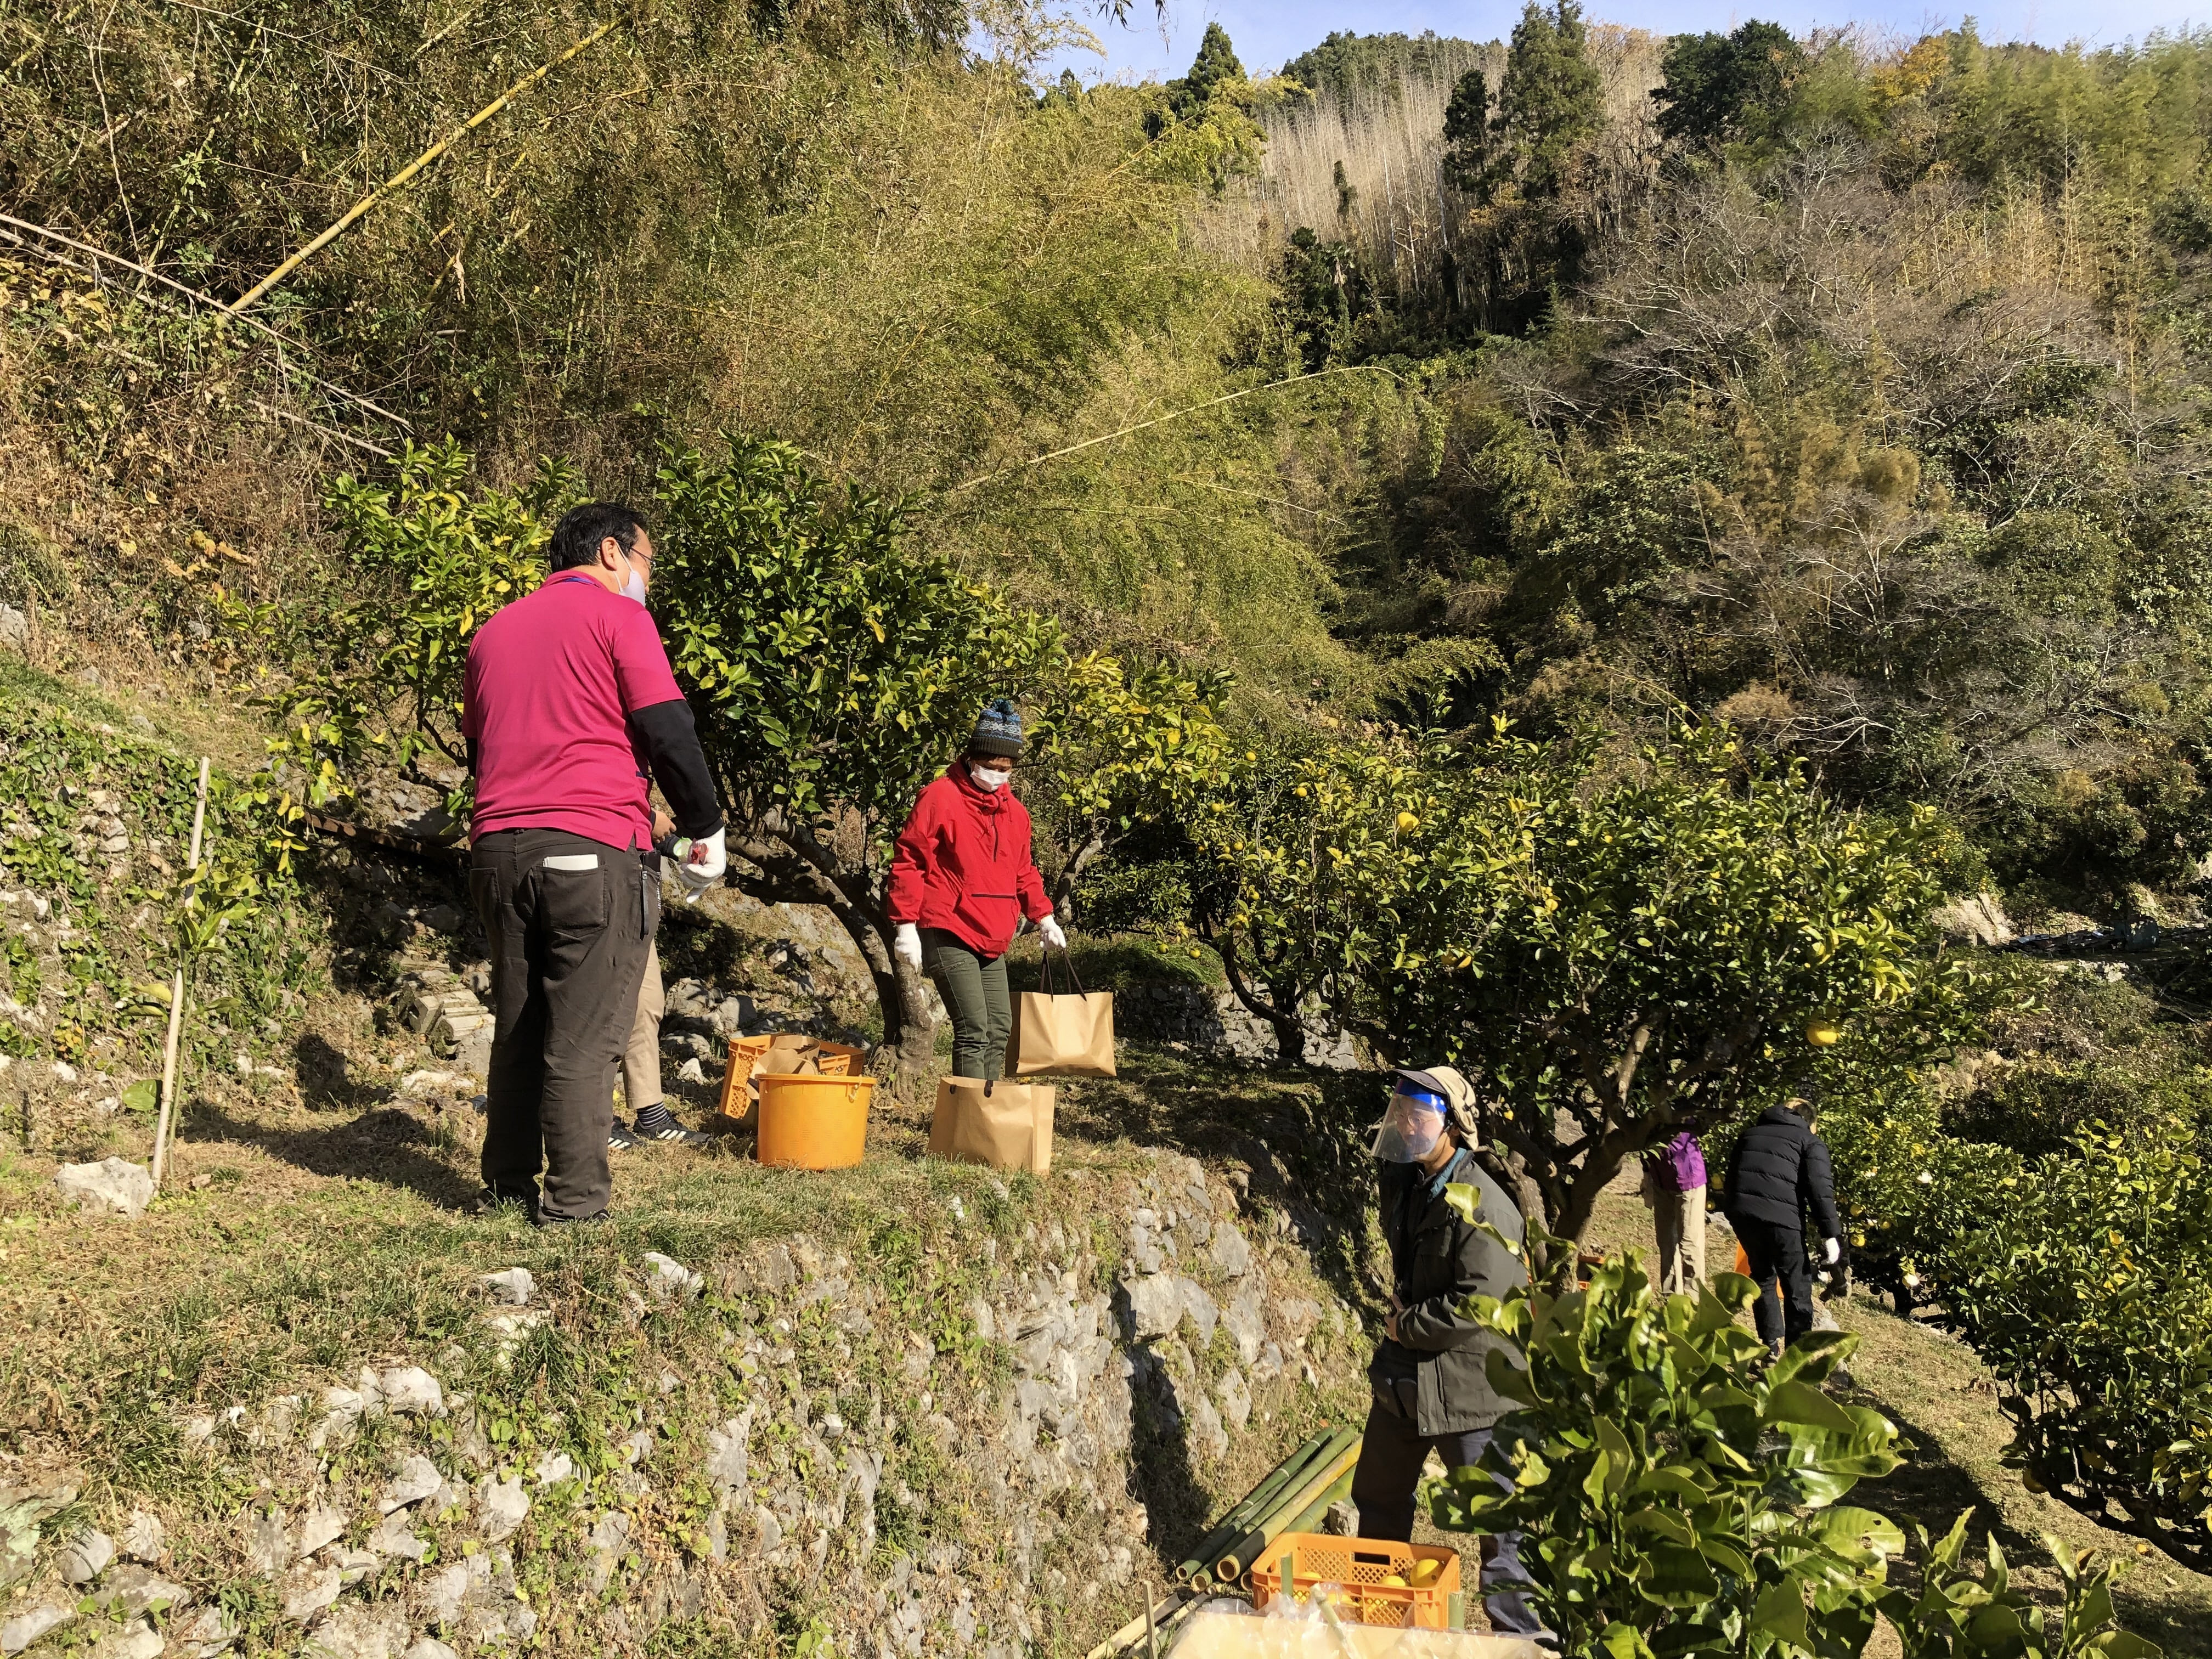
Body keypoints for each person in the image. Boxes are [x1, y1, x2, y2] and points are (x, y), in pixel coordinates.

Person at [464, 501, 726, 1223]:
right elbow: (667, 726)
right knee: (583, 1035)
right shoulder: (619, 618)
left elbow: (480, 751)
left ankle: (505, 1189)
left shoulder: (492, 633)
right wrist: (706, 824)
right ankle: (575, 1205)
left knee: (520, 1026)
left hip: (497, 850)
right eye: (646, 564)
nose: (647, 580)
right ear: (611, 552)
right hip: (590, 849)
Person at [1348, 1067, 1544, 1641]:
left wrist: (1405, 1324)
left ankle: (1525, 1646)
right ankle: (1380, 1626)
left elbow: (1479, 1303)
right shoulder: (1410, 1185)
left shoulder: (1483, 1204)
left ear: (1454, 1127)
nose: (1408, 1123)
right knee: (1378, 1501)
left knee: (1502, 1532)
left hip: (1472, 1390)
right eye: (1402, 1112)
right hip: (1405, 1384)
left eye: (1421, 1114)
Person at [887, 698, 1065, 1082]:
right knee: (973, 1029)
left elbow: (1023, 871)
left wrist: (1044, 917)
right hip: (948, 926)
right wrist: (905, 927)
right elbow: (909, 860)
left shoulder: (1015, 813)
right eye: (990, 767)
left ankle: (987, 1115)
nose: (997, 775)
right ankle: (967, 1126)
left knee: (999, 1027)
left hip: (993, 933)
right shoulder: (939, 797)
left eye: (1005, 769)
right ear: (971, 759)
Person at [610, 810, 710, 1151]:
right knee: (601, 1007)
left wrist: (673, 845)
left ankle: (650, 1113)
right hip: (600, 885)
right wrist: (647, 815)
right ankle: (596, 1117)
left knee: (647, 1003)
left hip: (637, 897)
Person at [1721, 1095, 1842, 1355]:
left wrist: (1734, 1213)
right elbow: (1820, 1191)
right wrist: (1831, 1235)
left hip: (1744, 1215)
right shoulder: (1810, 1141)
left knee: (1762, 1275)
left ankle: (1770, 1348)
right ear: (1811, 1122)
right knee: (1797, 1286)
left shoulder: (1750, 1134)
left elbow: (1732, 1177)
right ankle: (1795, 1356)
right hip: (1782, 1219)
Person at [1641, 1127, 1708, 1295]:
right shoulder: (1647, 1110)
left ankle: (1693, 1303)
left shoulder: (1683, 1110)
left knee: (1689, 1245)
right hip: (1661, 1182)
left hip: (1688, 1183)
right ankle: (1669, 1300)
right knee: (1666, 1244)